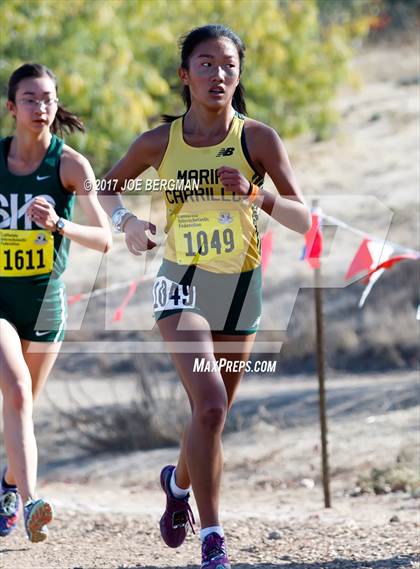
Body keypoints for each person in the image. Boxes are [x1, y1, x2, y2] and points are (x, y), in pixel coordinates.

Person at [99, 24, 311, 569]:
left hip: (240, 291)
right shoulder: (158, 143)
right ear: (185, 74)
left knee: (209, 417)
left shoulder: (257, 139)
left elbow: (305, 219)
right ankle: (213, 538)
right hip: (180, 287)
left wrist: (256, 193)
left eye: (228, 65)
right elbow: (103, 187)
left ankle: (176, 482)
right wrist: (126, 224)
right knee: (210, 405)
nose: (218, 74)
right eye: (206, 64)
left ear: (239, 74)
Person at [0, 63, 112, 543]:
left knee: (24, 407)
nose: (40, 107)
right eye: (30, 98)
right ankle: (30, 503)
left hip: (46, 305)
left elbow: (106, 238)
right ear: (11, 108)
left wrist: (60, 225)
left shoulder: (70, 165)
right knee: (18, 392)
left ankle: (6, 485)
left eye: (47, 98)